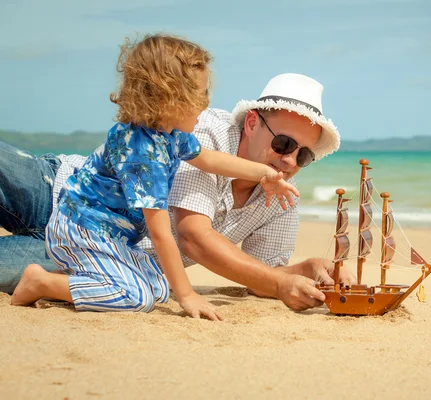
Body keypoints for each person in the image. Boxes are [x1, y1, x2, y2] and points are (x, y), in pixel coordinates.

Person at [0, 71, 355, 312]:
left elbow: (261, 277)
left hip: (97, 258)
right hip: (59, 191)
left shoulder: (281, 197)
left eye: (304, 155)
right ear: (251, 123)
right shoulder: (206, 131)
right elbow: (192, 236)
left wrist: (305, 269)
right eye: (284, 143)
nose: (291, 161)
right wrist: (279, 282)